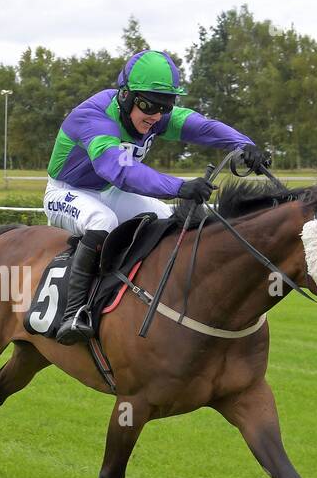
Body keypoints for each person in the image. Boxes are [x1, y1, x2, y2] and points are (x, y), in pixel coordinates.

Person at [43, 49, 270, 344]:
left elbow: (203, 127)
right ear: (125, 95)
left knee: (167, 219)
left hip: (108, 191)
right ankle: (74, 313)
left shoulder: (152, 113)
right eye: (150, 106)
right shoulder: (94, 118)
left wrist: (244, 144)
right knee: (103, 220)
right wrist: (179, 186)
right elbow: (119, 170)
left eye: (166, 106)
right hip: (66, 191)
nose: (157, 116)